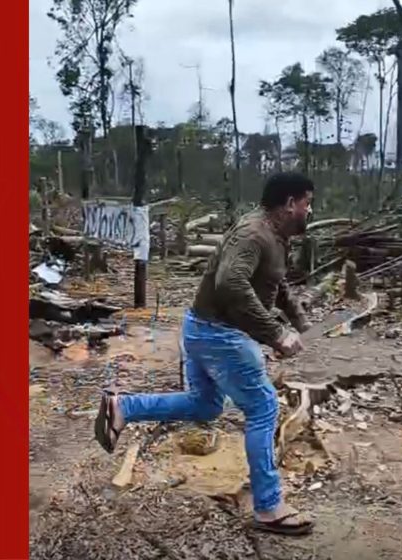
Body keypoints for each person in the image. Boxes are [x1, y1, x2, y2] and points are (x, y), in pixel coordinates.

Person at [95, 172, 315, 536]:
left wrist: (301, 325)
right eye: (307, 202)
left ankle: (124, 408)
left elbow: (276, 282)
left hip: (199, 329)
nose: (310, 210)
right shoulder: (253, 234)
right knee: (263, 407)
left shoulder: (273, 235)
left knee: (206, 405)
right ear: (290, 204)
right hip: (218, 335)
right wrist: (276, 333)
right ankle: (269, 506)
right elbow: (230, 283)